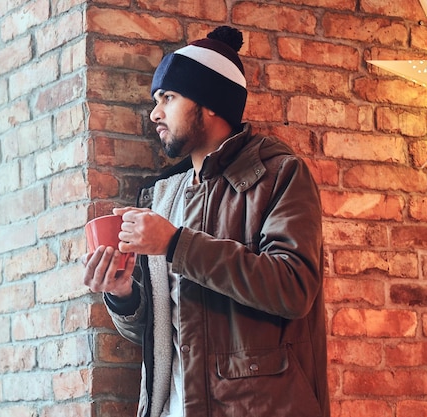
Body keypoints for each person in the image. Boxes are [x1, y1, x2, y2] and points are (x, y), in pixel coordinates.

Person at [83, 26, 330, 417]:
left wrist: (176, 244)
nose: (155, 112)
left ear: (211, 103)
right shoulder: (163, 197)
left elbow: (294, 288)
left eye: (169, 97)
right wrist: (123, 294)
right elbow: (162, 332)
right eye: (156, 99)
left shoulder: (281, 176)